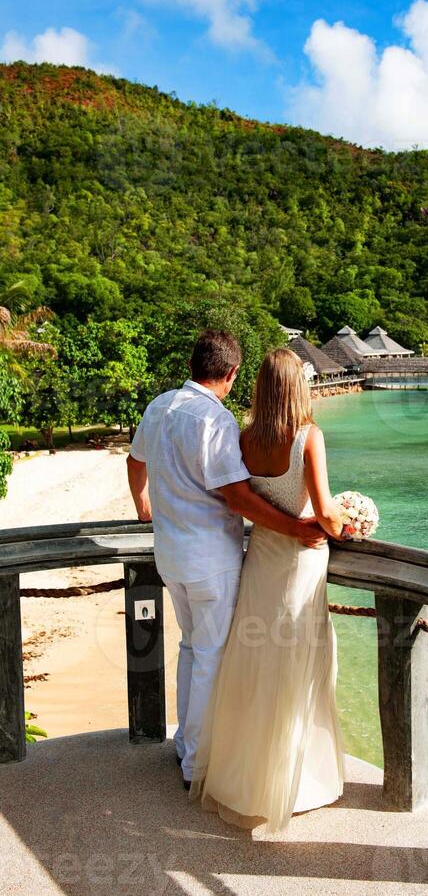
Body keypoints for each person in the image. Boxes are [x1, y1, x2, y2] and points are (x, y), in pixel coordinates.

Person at [127, 331, 326, 789]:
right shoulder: (214, 420)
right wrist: (297, 528)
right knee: (211, 656)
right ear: (232, 374)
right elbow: (237, 498)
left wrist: (142, 506)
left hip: (169, 555)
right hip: (210, 560)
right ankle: (196, 765)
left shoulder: (160, 406)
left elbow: (135, 462)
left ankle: (184, 747)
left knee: (190, 648)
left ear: (195, 364)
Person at [190, 347, 345, 833]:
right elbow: (324, 511)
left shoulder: (244, 438)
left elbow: (241, 501)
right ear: (298, 386)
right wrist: (349, 520)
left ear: (258, 385)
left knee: (256, 666)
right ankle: (297, 783)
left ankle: (244, 778)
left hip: (260, 562)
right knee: (297, 669)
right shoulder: (309, 437)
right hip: (299, 565)